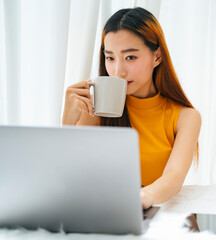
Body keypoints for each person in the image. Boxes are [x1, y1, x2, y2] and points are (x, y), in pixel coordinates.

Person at [62, 7, 201, 210]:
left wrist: (140, 198)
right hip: (91, 208)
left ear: (157, 57)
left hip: (140, 209)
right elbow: (72, 175)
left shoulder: (186, 117)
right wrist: (67, 124)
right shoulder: (95, 109)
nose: (118, 71)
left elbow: (174, 177)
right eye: (110, 58)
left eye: (130, 57)